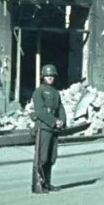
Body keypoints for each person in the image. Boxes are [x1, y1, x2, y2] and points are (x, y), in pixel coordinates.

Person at [30, 64, 66, 193]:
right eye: (47, 75)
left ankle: (47, 184)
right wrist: (54, 121)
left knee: (51, 157)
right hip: (44, 128)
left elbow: (60, 108)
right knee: (42, 157)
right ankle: (38, 185)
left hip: (53, 129)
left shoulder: (56, 92)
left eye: (52, 75)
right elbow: (40, 111)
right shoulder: (39, 91)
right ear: (43, 76)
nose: (50, 77)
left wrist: (62, 121)